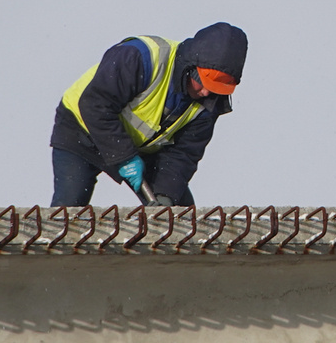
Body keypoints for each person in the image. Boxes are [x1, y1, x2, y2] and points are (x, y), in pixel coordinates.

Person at [49, 22, 248, 207]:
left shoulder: (210, 102)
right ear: (191, 67)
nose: (206, 92)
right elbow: (95, 105)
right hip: (81, 131)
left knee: (179, 215)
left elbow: (184, 153)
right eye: (202, 82)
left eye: (216, 88)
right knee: (68, 210)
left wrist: (165, 197)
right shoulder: (140, 57)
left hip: (142, 150)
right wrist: (124, 157)